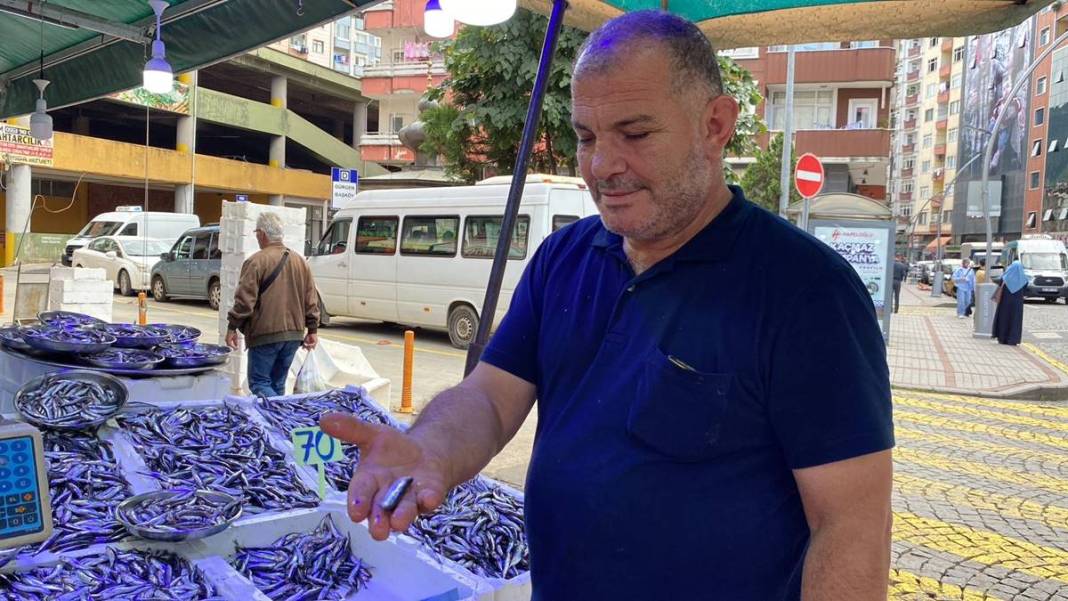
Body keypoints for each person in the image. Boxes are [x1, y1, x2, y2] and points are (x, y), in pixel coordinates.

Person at [320, 11, 893, 601]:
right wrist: (430, 447)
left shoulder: (807, 292)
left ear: (715, 125)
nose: (602, 166)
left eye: (635, 134)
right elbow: (489, 398)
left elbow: (850, 527)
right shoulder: (561, 258)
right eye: (587, 137)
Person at [225, 212, 319, 397]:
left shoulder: (256, 261)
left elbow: (245, 302)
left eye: (256, 233)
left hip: (265, 334)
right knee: (277, 384)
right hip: (293, 335)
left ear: (261, 234)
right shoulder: (301, 261)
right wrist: (312, 330)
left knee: (259, 383)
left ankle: (283, 412)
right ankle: (279, 414)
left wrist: (232, 327)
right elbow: (311, 300)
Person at [993, 259, 1027, 345]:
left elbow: (1000, 285)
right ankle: (1013, 339)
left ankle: (1002, 338)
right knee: (1015, 320)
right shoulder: (1024, 279)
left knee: (1003, 319)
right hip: (1017, 304)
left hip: (1005, 303)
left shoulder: (1005, 277)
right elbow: (1025, 290)